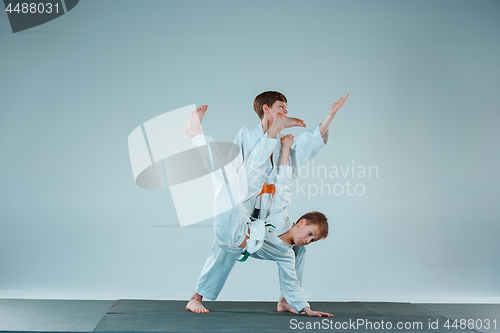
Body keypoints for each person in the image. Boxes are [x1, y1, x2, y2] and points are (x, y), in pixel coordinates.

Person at [186, 92, 348, 314]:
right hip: (244, 200)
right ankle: (197, 297)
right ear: (266, 108)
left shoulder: (286, 142)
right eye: (281, 106)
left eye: (286, 107)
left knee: (297, 249)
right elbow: (236, 166)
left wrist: (330, 116)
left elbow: (309, 142)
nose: (285, 110)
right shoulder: (247, 134)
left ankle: (286, 300)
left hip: (271, 210)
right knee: (226, 243)